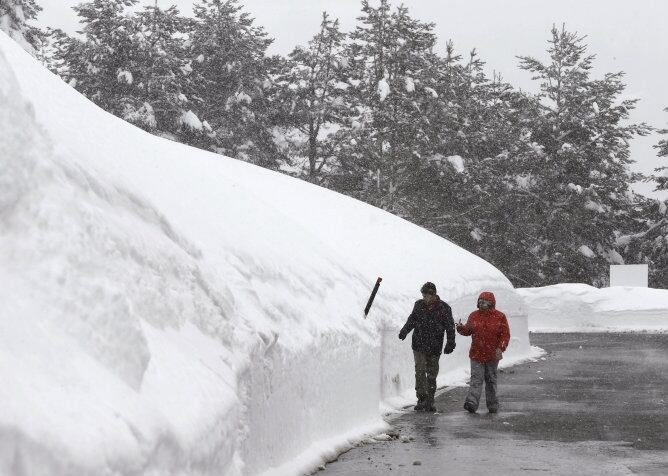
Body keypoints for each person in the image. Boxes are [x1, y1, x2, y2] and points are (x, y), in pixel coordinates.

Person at [399, 282, 456, 412]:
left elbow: (450, 327)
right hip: (419, 344)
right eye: (423, 295)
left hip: (435, 346)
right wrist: (404, 331)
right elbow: (412, 319)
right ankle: (422, 399)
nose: (424, 297)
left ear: (433, 294)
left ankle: (430, 400)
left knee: (431, 374)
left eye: (426, 295)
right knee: (420, 371)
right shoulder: (418, 305)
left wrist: (450, 343)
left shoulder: (444, 308)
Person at [456, 291, 510, 414]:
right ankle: (472, 403)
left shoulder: (500, 316)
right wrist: (460, 328)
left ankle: (492, 404)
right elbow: (468, 330)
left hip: (492, 355)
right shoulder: (474, 315)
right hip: (476, 354)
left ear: (491, 303)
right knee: (476, 379)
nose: (481, 304)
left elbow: (505, 335)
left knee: (491, 380)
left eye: (484, 302)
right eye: (480, 301)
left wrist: (501, 347)